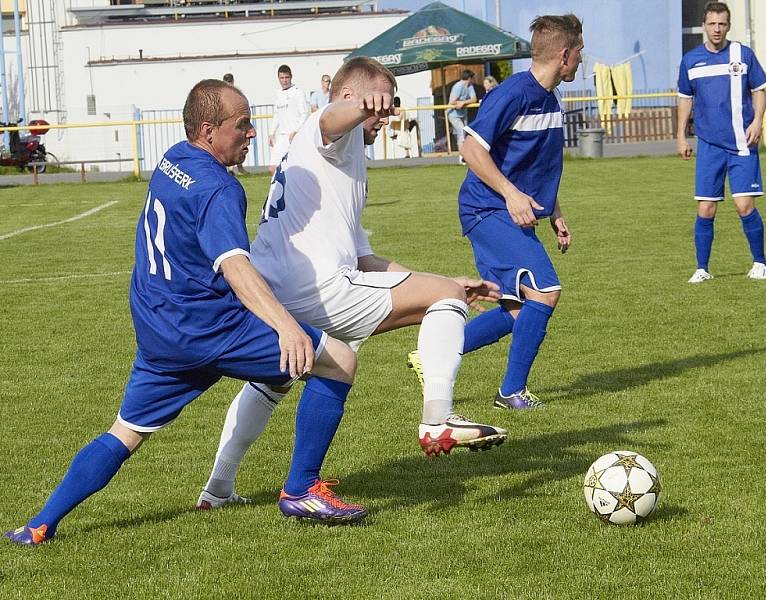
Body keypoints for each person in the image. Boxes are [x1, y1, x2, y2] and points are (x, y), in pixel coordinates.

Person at [4, 80, 367, 546]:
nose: (252, 133)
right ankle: (301, 490)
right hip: (210, 327)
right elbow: (234, 265)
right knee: (337, 359)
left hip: (160, 331)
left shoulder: (173, 158)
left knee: (126, 431)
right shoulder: (220, 189)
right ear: (209, 130)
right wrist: (285, 327)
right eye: (242, 125)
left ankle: (40, 524)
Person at [197, 58, 507, 509]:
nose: (384, 117)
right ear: (352, 99)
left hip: (274, 287)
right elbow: (329, 117)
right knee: (444, 298)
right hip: (315, 285)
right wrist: (362, 106)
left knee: (275, 381)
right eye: (381, 106)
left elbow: (364, 257)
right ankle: (437, 420)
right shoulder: (327, 130)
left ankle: (218, 488)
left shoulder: (347, 159)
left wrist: (434, 281)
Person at [408, 15, 581, 411]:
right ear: (564, 53)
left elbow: (539, 168)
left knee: (516, 308)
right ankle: (511, 392)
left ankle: (431, 356)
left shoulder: (552, 99)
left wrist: (555, 213)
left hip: (509, 210)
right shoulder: (512, 94)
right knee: (546, 291)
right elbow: (470, 151)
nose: (580, 62)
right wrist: (511, 195)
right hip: (486, 208)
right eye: (579, 54)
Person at [677, 2, 766, 284]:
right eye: (712, 24)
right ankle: (702, 268)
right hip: (709, 145)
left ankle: (760, 263)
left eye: (722, 24)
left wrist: (757, 122)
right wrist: (681, 135)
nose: (716, 29)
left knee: (744, 206)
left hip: (742, 143)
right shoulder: (691, 60)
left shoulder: (743, 55)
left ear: (728, 26)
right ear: (704, 25)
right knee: (705, 208)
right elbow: (685, 98)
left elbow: (760, 90)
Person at [268, 64, 308, 175]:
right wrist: (271, 133)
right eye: (282, 78)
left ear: (291, 77)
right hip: (282, 136)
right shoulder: (278, 93)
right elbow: (277, 114)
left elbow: (304, 114)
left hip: (294, 137)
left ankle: (291, 190)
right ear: (278, 78)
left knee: (294, 169)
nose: (284, 80)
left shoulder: (297, 92)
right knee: (272, 168)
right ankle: (282, 190)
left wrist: (296, 131)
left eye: (286, 77)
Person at [448, 69, 477, 161]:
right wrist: (459, 103)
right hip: (453, 114)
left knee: (465, 134)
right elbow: (452, 102)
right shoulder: (458, 86)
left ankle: (465, 155)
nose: (473, 81)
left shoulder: (469, 86)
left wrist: (463, 102)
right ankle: (462, 158)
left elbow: (474, 99)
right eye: (472, 78)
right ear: (469, 78)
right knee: (461, 132)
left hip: (463, 113)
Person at [222, 72, 248, 174]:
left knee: (239, 144)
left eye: (229, 82)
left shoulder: (237, 94)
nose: (228, 84)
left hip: (237, 123)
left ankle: (239, 168)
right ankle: (229, 169)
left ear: (232, 82)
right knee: (228, 145)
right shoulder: (221, 94)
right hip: (227, 123)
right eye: (226, 82)